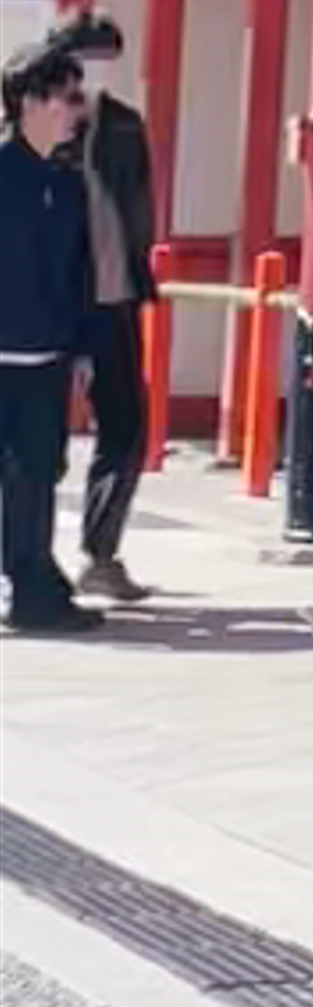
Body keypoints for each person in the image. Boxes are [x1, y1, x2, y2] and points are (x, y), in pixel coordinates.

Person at [43, 14, 156, 609]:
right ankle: (25, 557)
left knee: (126, 426)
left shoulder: (122, 127)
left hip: (113, 297)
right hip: (48, 303)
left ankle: (101, 551)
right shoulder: (32, 127)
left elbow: (138, 210)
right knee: (36, 438)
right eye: (89, 57)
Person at [0, 44, 102, 636]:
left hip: (46, 355)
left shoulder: (66, 185)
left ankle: (34, 588)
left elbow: (77, 273)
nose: (75, 110)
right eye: (66, 97)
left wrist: (82, 346)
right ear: (30, 103)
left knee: (38, 473)